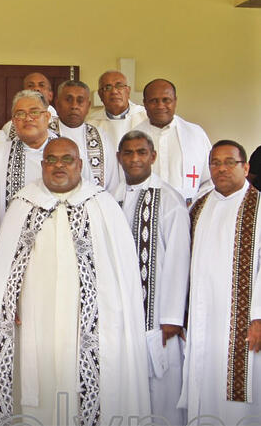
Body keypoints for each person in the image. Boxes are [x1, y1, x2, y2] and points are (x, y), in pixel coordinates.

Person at [0, 138, 150, 425]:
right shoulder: (24, 203)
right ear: (42, 164)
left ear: (80, 164)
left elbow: (121, 277)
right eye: (51, 159)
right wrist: (9, 306)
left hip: (86, 322)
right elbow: (4, 273)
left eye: (66, 159)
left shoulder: (102, 205)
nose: (58, 166)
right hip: (35, 320)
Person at [179, 140, 261, 424]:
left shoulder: (259, 208)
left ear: (246, 167)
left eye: (230, 162)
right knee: (203, 384)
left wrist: (259, 318)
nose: (221, 168)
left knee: (240, 397)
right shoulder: (199, 207)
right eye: (215, 162)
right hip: (202, 317)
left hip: (245, 322)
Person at [113, 130, 190, 426]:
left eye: (141, 152)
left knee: (162, 385)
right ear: (119, 158)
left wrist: (171, 315)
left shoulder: (169, 199)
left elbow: (179, 258)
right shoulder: (111, 197)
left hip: (158, 314)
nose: (134, 159)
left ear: (153, 157)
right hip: (124, 309)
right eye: (128, 153)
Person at [0, 90, 56, 230]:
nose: (28, 118)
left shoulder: (68, 153)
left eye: (35, 112)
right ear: (13, 121)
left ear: (47, 116)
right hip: (9, 243)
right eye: (20, 114)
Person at [133, 79, 211, 206]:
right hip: (145, 212)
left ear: (175, 101)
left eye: (166, 100)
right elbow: (124, 181)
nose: (160, 105)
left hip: (188, 212)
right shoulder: (133, 138)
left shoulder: (196, 134)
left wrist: (195, 204)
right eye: (153, 100)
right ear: (145, 104)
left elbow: (209, 180)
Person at [49, 80, 118, 190]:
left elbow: (112, 181)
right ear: (57, 103)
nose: (74, 106)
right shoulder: (45, 134)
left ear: (88, 106)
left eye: (80, 101)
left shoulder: (101, 136)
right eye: (68, 100)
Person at [87, 70, 147, 148]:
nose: (114, 91)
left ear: (128, 91)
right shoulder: (91, 124)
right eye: (107, 88)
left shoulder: (146, 117)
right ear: (100, 94)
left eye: (119, 86)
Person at [2, 72, 58, 139]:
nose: (36, 89)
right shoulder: (9, 127)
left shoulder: (62, 124)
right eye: (30, 86)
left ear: (50, 95)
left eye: (41, 85)